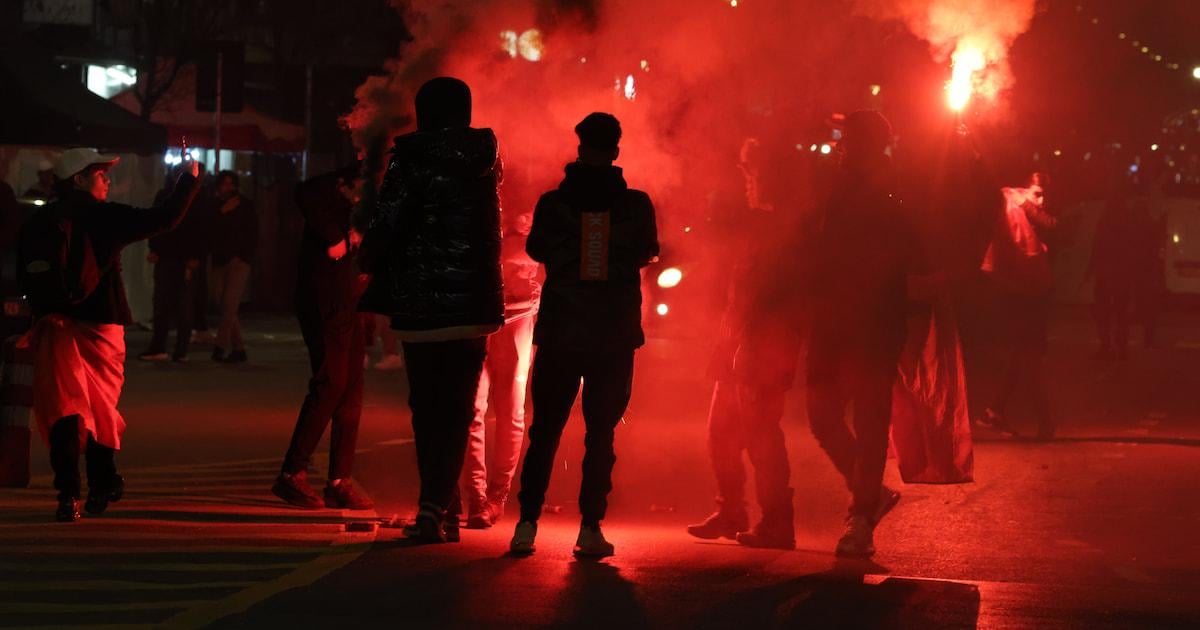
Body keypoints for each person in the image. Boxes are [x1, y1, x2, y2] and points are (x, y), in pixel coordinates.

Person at [357, 77, 504, 543]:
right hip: (472, 301)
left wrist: (368, 263)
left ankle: (431, 507)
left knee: (427, 407)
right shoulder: (487, 160)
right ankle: (446, 511)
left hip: (421, 302)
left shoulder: (410, 161)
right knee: (459, 408)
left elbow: (387, 223)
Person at [17, 148, 201, 522]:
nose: (108, 181)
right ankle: (102, 480)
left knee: (65, 408)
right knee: (101, 406)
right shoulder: (104, 217)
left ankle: (67, 493)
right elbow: (163, 219)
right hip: (101, 324)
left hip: (54, 324)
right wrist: (188, 179)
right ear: (81, 179)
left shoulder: (39, 220)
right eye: (101, 175)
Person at [509, 112, 660, 558]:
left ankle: (527, 523)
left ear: (579, 148)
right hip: (612, 333)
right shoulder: (635, 204)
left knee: (545, 432)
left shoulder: (554, 203)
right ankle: (590, 526)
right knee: (601, 435)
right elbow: (647, 251)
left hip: (561, 329)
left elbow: (536, 247)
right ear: (616, 150)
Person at [806, 111, 918, 558]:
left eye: (852, 140)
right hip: (834, 321)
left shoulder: (893, 191)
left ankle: (862, 517)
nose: (844, 147)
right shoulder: (835, 185)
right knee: (822, 415)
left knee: (871, 424)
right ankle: (868, 496)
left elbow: (903, 254)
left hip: (873, 325)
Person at [687, 139, 808, 550]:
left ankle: (777, 521)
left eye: (751, 170)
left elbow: (778, 297)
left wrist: (758, 344)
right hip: (739, 339)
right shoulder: (757, 222)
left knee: (761, 433)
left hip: (763, 345)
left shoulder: (785, 227)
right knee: (721, 431)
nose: (746, 179)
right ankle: (732, 510)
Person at [272, 166, 374, 511]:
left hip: (351, 302)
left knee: (352, 390)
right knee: (331, 383)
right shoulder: (337, 185)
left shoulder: (380, 196)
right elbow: (305, 190)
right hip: (324, 298)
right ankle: (292, 473)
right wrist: (336, 238)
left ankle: (339, 481)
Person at [457, 209, 541, 529]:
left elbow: (539, 251)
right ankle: (477, 495)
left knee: (509, 410)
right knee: (473, 408)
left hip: (516, 316)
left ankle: (497, 494)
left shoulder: (534, 191)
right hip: (479, 315)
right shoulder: (479, 191)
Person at [977, 172, 1057, 440]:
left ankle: (994, 410)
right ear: (1025, 190)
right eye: (1036, 193)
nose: (1041, 200)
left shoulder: (1028, 212)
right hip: (1020, 294)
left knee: (1021, 356)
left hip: (1031, 292)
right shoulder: (1014, 205)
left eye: (1044, 194)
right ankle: (1044, 423)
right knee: (1029, 357)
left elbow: (1050, 224)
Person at [138, 168, 212, 362]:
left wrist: (197, 255)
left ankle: (180, 349)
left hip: (185, 258)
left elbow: (204, 229)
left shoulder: (198, 197)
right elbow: (155, 221)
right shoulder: (166, 194)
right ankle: (160, 346)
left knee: (183, 304)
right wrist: (154, 248)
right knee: (162, 303)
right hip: (166, 256)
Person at [209, 171, 256, 363]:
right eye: (224, 184)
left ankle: (220, 346)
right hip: (219, 260)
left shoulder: (244, 206)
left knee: (229, 303)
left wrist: (243, 256)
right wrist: (222, 213)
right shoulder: (213, 206)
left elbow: (252, 232)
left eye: (231, 184)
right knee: (223, 303)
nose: (228, 187)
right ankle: (239, 348)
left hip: (238, 261)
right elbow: (208, 228)